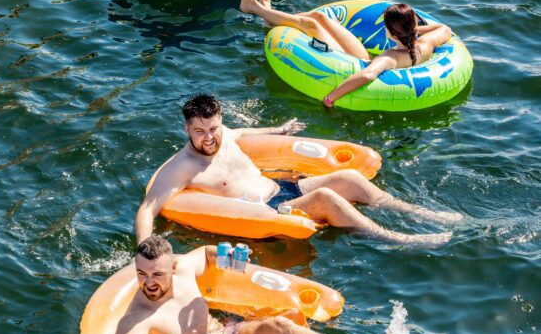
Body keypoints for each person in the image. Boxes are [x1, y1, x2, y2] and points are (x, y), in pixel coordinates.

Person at [135, 94, 461, 246]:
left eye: (214, 129)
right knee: (325, 198)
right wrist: (145, 248)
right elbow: (148, 208)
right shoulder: (183, 167)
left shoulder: (224, 135)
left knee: (348, 178)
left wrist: (279, 130)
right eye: (200, 132)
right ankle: (399, 239)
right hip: (268, 210)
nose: (209, 138)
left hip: (281, 187)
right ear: (186, 130)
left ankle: (419, 212)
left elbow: (242, 135)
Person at [112, 235, 376, 334]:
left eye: (157, 274)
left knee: (280, 325)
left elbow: (206, 253)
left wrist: (227, 257)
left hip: (227, 332)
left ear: (173, 266)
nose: (149, 283)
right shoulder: (139, 315)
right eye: (142, 274)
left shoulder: (185, 270)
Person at [237, 0, 452, 107]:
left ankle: (255, 9)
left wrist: (330, 98)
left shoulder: (390, 57)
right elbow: (445, 29)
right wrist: (414, 33)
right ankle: (269, 16)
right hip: (365, 57)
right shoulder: (425, 44)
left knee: (311, 25)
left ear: (390, 31)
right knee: (321, 18)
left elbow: (367, 74)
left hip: (352, 62)